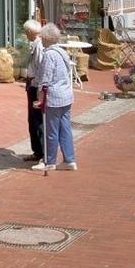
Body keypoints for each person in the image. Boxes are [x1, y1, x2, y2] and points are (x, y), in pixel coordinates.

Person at [31, 22, 77, 172]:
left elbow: (45, 79)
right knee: (65, 130)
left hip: (54, 97)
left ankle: (49, 161)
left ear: (46, 38)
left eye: (42, 37)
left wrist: (40, 98)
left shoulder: (49, 54)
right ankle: (69, 160)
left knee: (51, 131)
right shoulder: (62, 52)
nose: (41, 40)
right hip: (66, 95)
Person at [21, 19, 44, 163]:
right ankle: (37, 151)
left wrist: (37, 88)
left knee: (37, 119)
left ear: (30, 32)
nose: (25, 34)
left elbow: (41, 68)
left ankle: (41, 152)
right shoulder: (35, 44)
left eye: (26, 32)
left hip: (36, 86)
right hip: (33, 84)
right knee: (32, 119)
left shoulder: (39, 46)